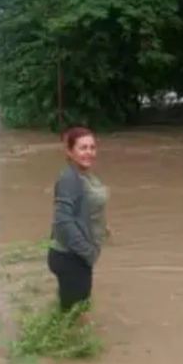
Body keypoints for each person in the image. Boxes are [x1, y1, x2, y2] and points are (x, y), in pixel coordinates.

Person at [48, 126, 109, 315]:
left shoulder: (84, 175)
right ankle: (63, 342)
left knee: (75, 310)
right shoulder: (70, 179)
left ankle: (63, 337)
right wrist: (87, 252)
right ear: (69, 151)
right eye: (83, 148)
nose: (89, 152)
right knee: (74, 316)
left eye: (92, 147)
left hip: (75, 255)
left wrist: (101, 226)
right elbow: (63, 221)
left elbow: (83, 208)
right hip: (71, 256)